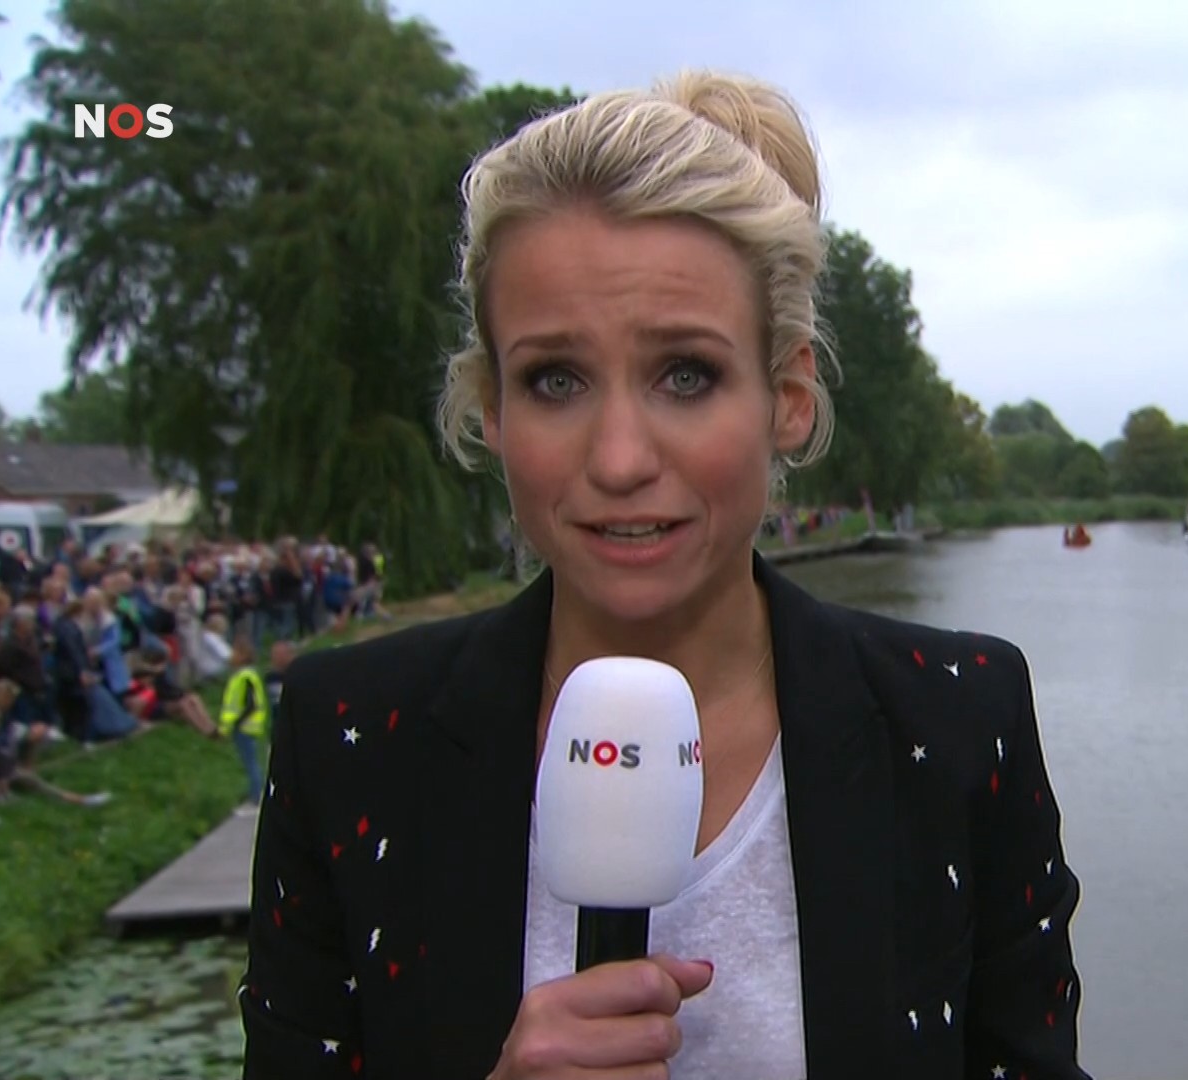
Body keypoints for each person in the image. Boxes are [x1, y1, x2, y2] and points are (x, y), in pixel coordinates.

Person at [241, 71, 1089, 1080]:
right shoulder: (348, 739)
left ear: (786, 396)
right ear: (493, 409)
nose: (619, 459)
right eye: (556, 380)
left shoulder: (959, 718)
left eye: (686, 374)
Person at [219, 639, 270, 807]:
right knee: (249, 761)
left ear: (243, 655)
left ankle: (256, 794)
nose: (231, 656)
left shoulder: (245, 676)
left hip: (245, 727)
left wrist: (237, 722)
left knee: (250, 762)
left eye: (235, 652)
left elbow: (250, 703)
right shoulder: (244, 675)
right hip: (246, 726)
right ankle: (255, 791)